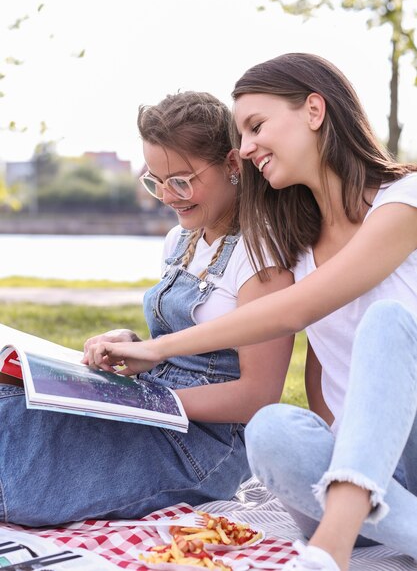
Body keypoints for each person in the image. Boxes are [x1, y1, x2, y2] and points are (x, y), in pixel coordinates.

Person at [86, 54, 417, 571]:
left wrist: (156, 349)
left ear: (313, 109)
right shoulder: (298, 247)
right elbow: (323, 367)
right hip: (359, 468)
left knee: (386, 323)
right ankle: (367, 521)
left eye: (256, 126)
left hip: (411, 442)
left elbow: (296, 310)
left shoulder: (405, 202)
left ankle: (330, 548)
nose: (244, 148)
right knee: (271, 429)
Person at [0, 90, 293, 527]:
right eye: (154, 180)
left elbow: (258, 397)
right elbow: (176, 347)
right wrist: (131, 344)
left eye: (181, 180)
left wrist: (149, 401)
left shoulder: (260, 256)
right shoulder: (180, 240)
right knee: (12, 405)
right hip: (153, 407)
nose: (167, 196)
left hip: (204, 447)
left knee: (24, 451)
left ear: (233, 165)